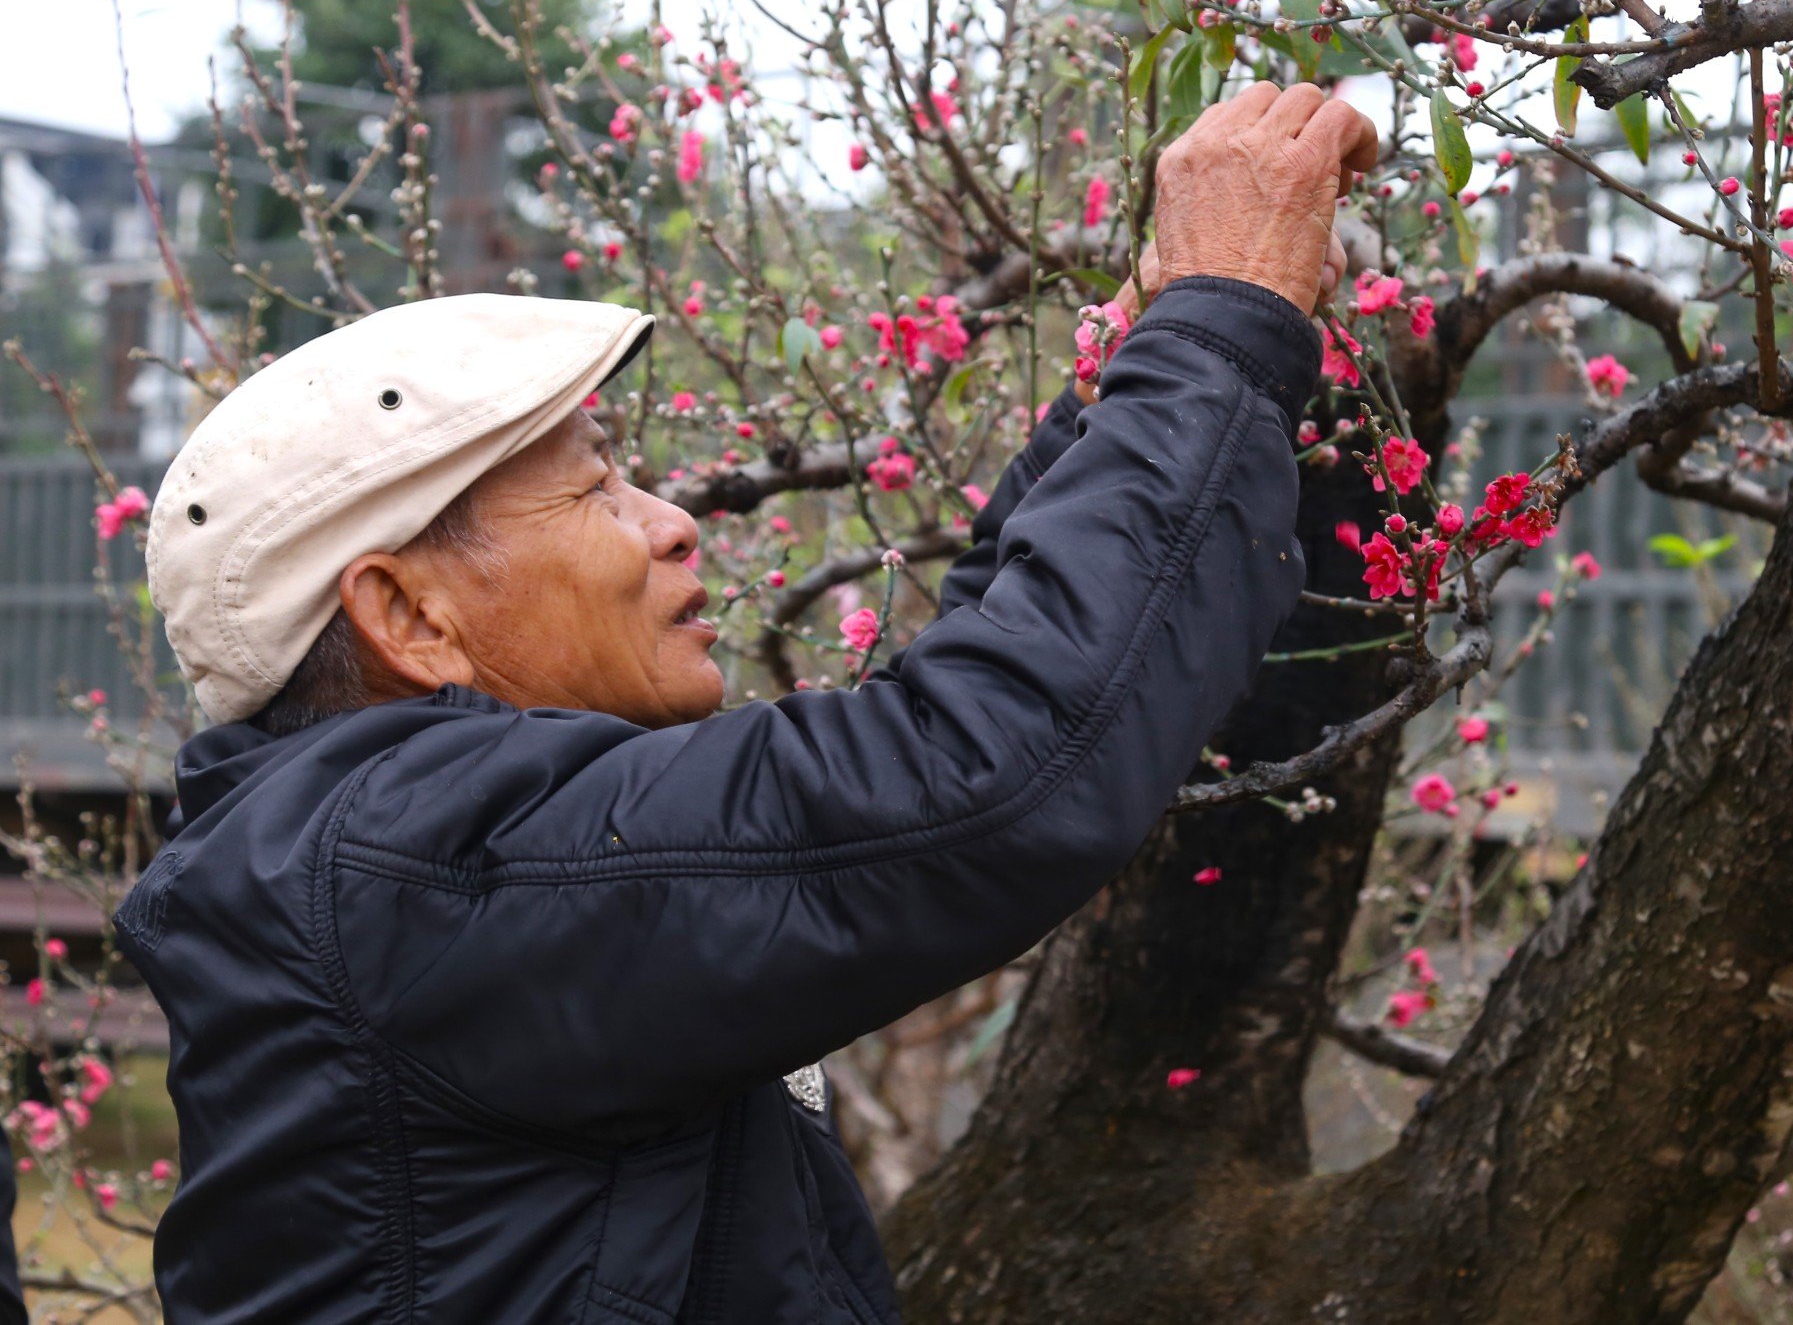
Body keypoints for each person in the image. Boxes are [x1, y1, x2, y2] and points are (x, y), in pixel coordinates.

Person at [117, 83, 1376, 1323]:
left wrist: (1144, 353)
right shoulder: (427, 866)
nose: (672, 526)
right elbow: (974, 777)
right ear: (408, 618)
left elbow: (962, 706)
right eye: (598, 494)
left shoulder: (372, 855)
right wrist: (1222, 326)